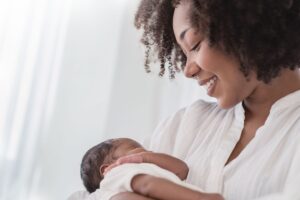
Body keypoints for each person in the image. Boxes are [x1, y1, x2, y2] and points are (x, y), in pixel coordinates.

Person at [111, 0, 300, 200]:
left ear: (246, 26)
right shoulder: (184, 124)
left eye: (194, 45)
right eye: (184, 54)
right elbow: (95, 190)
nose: (188, 70)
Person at [79, 138, 220, 200]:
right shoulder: (116, 172)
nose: (146, 151)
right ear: (107, 168)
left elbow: (182, 169)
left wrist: (146, 157)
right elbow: (147, 185)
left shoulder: (149, 166)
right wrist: (200, 198)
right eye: (135, 148)